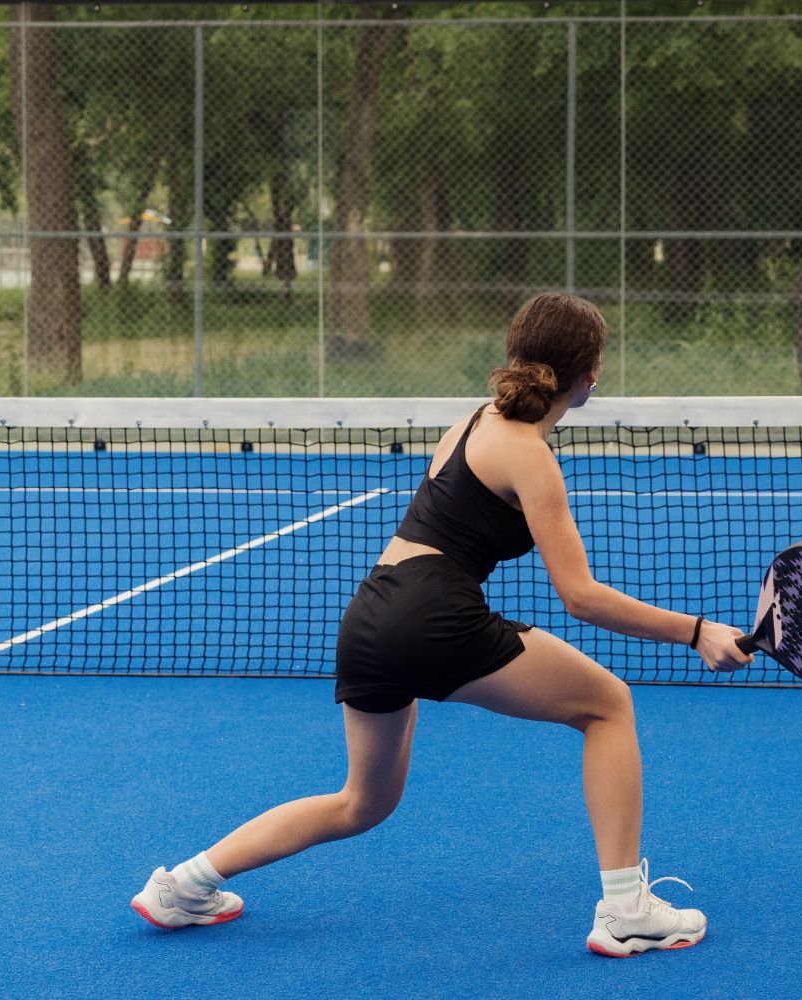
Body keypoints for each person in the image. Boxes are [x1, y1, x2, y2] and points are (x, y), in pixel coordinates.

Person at [130, 292, 753, 957]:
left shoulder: (475, 422)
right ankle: (626, 909)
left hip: (370, 616)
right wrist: (695, 631)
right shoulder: (531, 456)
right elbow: (581, 597)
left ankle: (184, 885)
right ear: (589, 375)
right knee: (608, 706)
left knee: (361, 802)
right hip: (432, 617)